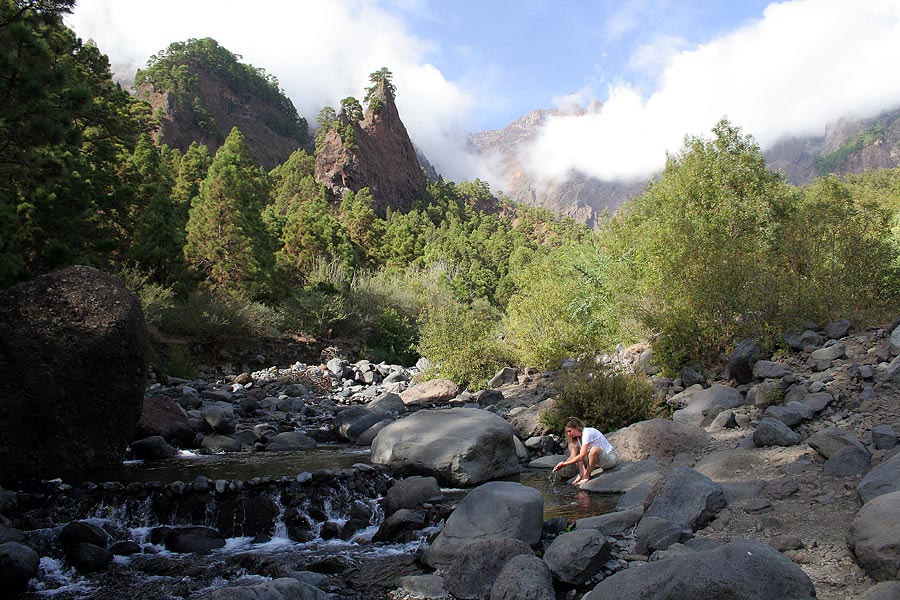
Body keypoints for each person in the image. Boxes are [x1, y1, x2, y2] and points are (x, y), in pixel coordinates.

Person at [552, 417, 618, 486]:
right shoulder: (577, 438)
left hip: (610, 458)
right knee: (573, 446)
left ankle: (587, 475)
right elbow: (573, 457)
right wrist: (561, 464)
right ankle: (582, 473)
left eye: (569, 431)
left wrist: (565, 464)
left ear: (577, 427)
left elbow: (582, 456)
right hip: (597, 460)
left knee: (594, 450)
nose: (568, 434)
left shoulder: (587, 433)